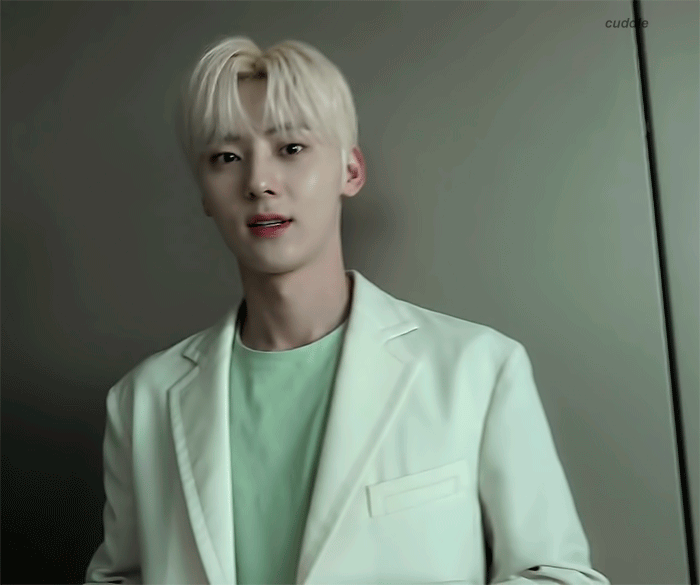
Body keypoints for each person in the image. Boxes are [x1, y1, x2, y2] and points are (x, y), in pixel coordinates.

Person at [84, 36, 610, 585]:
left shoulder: (478, 368)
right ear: (204, 194)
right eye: (227, 158)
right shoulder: (143, 400)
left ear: (351, 171)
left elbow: (557, 575)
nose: (258, 182)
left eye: (291, 148)